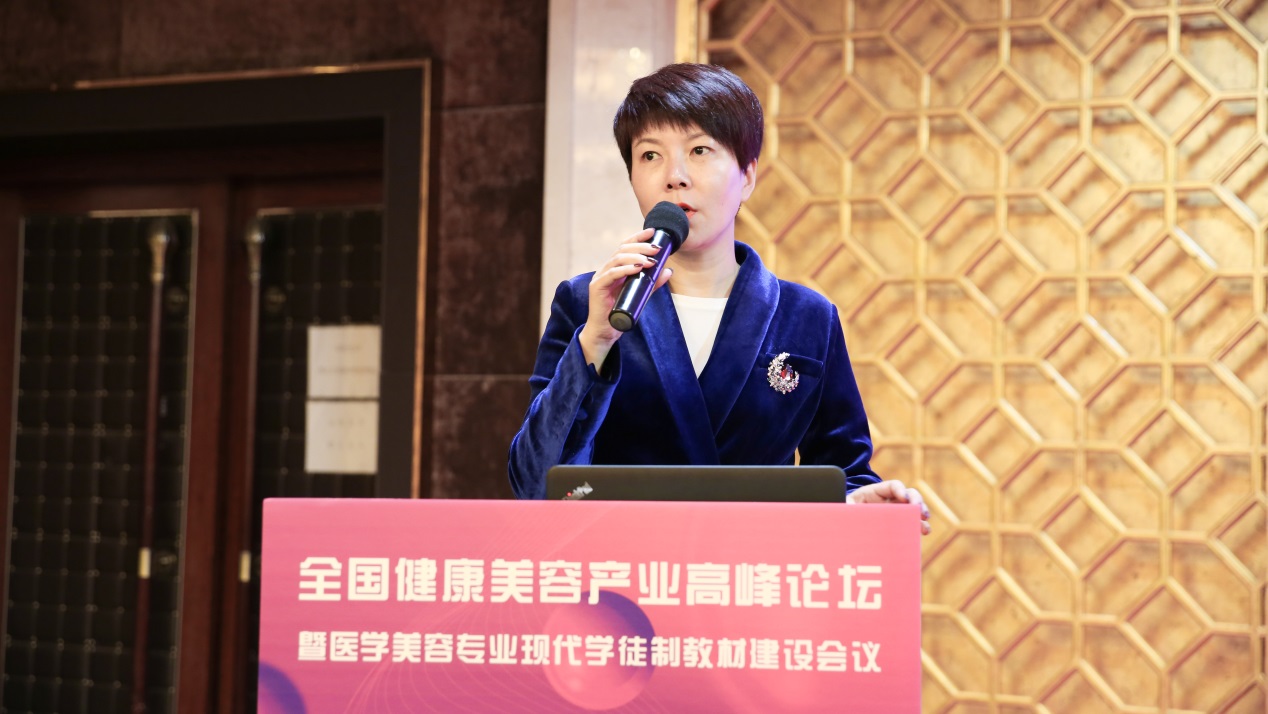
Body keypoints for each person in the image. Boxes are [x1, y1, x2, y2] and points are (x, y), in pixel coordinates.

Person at [509, 63, 931, 534]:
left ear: (747, 176)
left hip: (755, 568)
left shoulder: (806, 317)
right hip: (624, 567)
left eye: (699, 150)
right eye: (650, 155)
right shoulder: (586, 303)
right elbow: (535, 483)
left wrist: (856, 502)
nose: (675, 176)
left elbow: (843, 471)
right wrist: (595, 341)